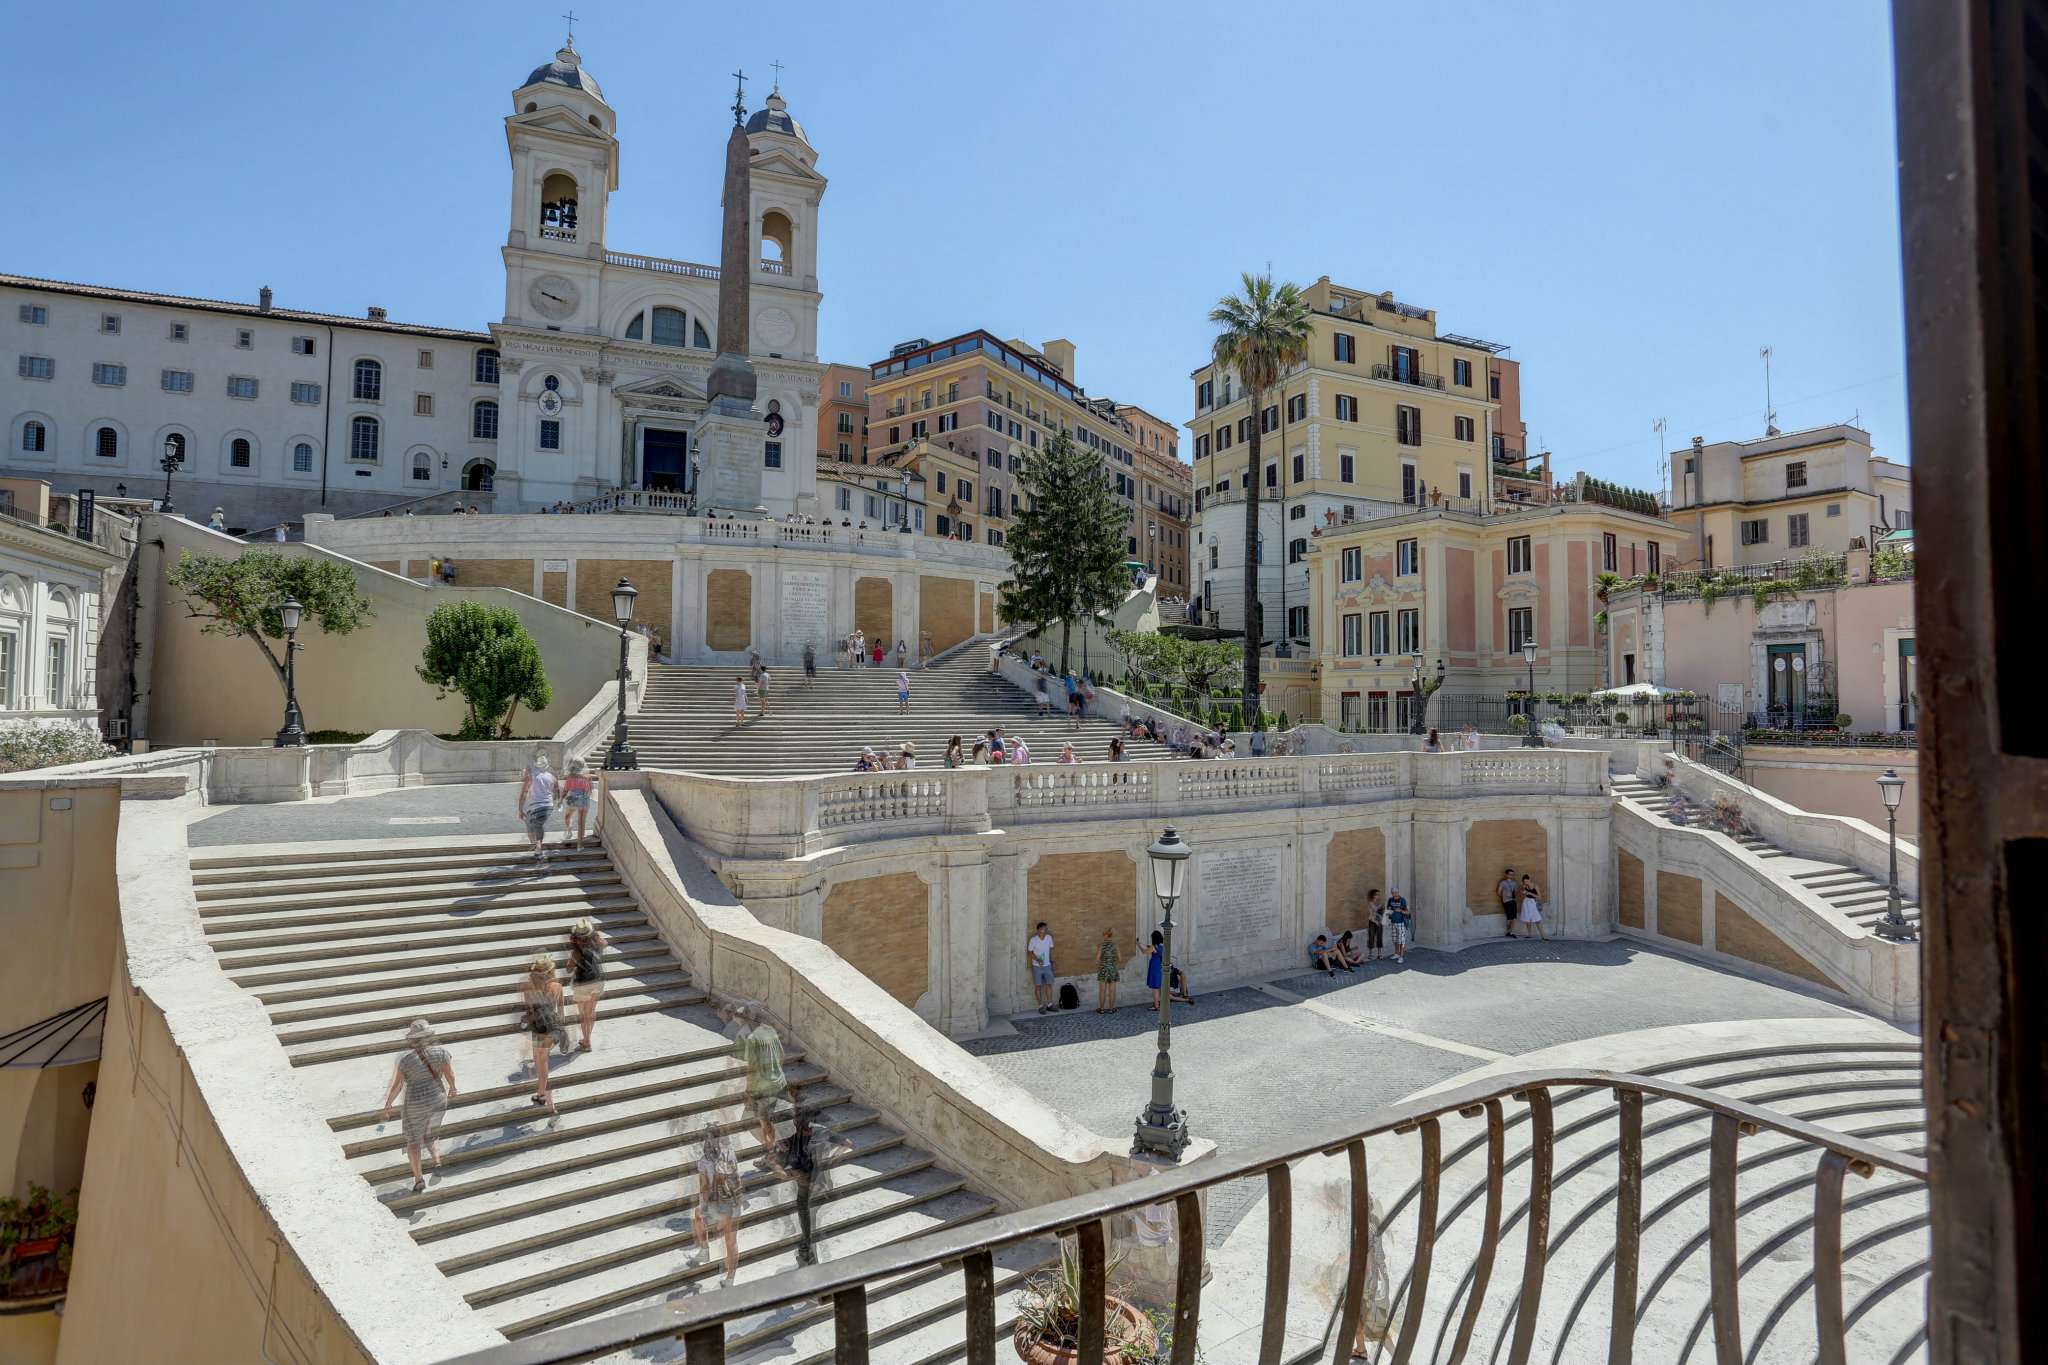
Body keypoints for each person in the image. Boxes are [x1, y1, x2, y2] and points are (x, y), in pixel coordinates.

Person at [380, 1020, 455, 1194]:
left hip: (415, 1102)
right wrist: (453, 1088)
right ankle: (436, 1161)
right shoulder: (442, 1053)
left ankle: (418, 1179)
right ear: (430, 1036)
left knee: (413, 1141)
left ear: (412, 1040)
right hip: (437, 1098)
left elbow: (397, 1086)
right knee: (431, 1132)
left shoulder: (406, 1060)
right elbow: (449, 1074)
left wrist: (388, 1105)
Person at [771, 1108, 850, 1268]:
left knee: (809, 1224)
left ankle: (809, 1255)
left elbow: (782, 1172)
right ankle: (808, 1253)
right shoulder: (817, 1133)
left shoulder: (797, 1140)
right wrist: (832, 1159)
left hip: (809, 1189)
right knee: (809, 1224)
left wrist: (779, 1168)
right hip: (817, 1186)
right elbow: (846, 1143)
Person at [690, 1122, 743, 1288]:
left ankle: (705, 1250)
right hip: (733, 1202)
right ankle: (730, 1279)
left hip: (717, 1204)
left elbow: (704, 1188)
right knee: (731, 1241)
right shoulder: (730, 1153)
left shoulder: (704, 1162)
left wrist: (703, 1207)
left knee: (697, 1216)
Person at [519, 953, 568, 1109]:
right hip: (551, 1026)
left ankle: (542, 1095)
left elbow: (529, 1011)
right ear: (550, 971)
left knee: (540, 1061)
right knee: (542, 1060)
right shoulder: (557, 987)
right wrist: (562, 1029)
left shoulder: (528, 988)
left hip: (538, 1027)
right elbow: (561, 1012)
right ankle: (543, 1095)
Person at [738, 1004, 788, 1150]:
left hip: (762, 1089)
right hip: (779, 1083)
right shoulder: (771, 1031)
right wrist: (775, 1073)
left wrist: (748, 1091)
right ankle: (777, 1150)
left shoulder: (752, 1038)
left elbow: (752, 1068)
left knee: (759, 1123)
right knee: (772, 1122)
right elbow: (782, 1055)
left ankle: (771, 1154)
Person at [566, 917, 608, 1051]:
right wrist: (594, 935)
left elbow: (569, 969)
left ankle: (587, 1041)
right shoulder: (598, 943)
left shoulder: (576, 952)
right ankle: (587, 1038)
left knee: (583, 1014)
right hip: (598, 980)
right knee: (591, 1012)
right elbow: (605, 942)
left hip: (582, 983)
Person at [517, 754, 557, 861]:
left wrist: (520, 809)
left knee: (536, 825)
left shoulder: (531, 776)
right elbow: (556, 791)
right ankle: (536, 847)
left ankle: (538, 847)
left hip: (536, 806)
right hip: (547, 806)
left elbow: (524, 793)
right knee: (531, 824)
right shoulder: (551, 777)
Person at [557, 757, 593, 850]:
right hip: (584, 799)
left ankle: (569, 830)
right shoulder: (588, 777)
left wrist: (560, 800)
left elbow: (565, 790)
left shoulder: (570, 776)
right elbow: (590, 790)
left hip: (572, 799)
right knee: (581, 823)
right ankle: (580, 845)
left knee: (567, 815)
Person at [1027, 922, 1056, 1014]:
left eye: (1046, 929)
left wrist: (1052, 961)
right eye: (1043, 929)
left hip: (1047, 965)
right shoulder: (1033, 940)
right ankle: (1040, 1006)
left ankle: (1049, 1005)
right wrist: (1037, 960)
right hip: (1037, 966)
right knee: (1038, 986)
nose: (1045, 930)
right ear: (1038, 929)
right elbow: (1030, 952)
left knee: (1049, 985)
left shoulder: (1049, 938)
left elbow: (1051, 950)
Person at [1094, 928, 1121, 1013]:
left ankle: (1101, 1009)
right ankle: (1111, 1009)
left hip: (1103, 969)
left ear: (1105, 935)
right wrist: (1112, 962)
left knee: (1102, 990)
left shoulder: (1101, 945)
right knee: (1112, 990)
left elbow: (1097, 959)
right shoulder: (1115, 945)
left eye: (1103, 934)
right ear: (1111, 935)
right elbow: (1120, 959)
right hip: (1112, 968)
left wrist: (1102, 963)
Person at [1143, 929, 1169, 1008]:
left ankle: (1156, 1006)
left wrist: (1138, 944)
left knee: (1155, 988)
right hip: (1160, 966)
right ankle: (1159, 1004)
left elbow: (1144, 952)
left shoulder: (1153, 947)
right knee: (1159, 986)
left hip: (1154, 967)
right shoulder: (1162, 946)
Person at [1386, 889, 1413, 964]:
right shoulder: (1390, 900)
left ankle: (1401, 957)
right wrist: (1388, 913)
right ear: (1391, 893)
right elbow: (1388, 909)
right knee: (1395, 940)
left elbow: (1408, 912)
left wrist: (1400, 911)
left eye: (1396, 893)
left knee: (1401, 940)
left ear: (1398, 893)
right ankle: (1396, 954)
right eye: (1393, 893)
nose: (1395, 894)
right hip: (1393, 923)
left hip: (1401, 923)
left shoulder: (1403, 900)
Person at [1519, 876, 1548, 940]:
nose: (1526, 882)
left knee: (1538, 919)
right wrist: (1523, 892)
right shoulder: (1524, 886)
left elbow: (1539, 897)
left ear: (1529, 879)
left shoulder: (1535, 886)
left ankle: (1543, 936)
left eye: (1527, 881)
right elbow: (1522, 896)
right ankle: (1529, 934)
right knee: (1527, 919)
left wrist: (1530, 893)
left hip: (1533, 903)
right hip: (1526, 902)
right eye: (1524, 882)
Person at [1497, 868, 1520, 938]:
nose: (1511, 876)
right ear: (1506, 875)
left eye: (1512, 874)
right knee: (1509, 917)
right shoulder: (1503, 882)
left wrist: (1516, 892)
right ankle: (1508, 931)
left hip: (1513, 900)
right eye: (1510, 874)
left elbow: (1516, 892)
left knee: (1514, 917)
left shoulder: (1514, 883)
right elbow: (1498, 892)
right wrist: (1504, 897)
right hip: (1507, 901)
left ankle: (1511, 932)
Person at [1365, 889, 1387, 961]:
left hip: (1379, 922)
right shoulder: (1370, 903)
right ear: (1373, 895)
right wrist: (1375, 921)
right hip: (1372, 922)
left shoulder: (1380, 903)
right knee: (1371, 937)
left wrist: (1380, 921)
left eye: (1378, 894)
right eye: (1376, 894)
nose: (1378, 896)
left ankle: (1379, 954)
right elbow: (1371, 914)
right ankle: (1370, 954)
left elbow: (1383, 913)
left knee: (1379, 937)